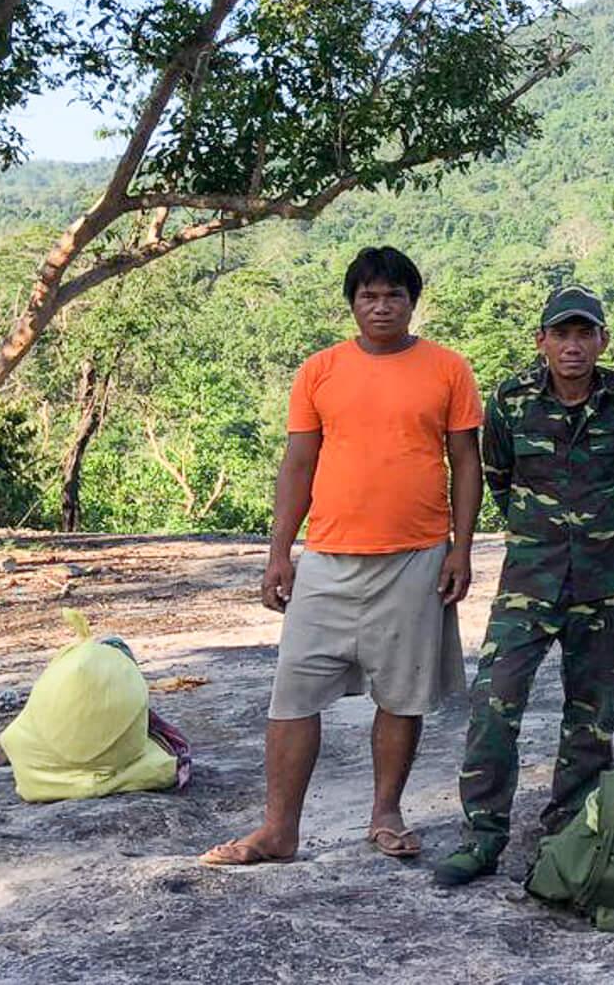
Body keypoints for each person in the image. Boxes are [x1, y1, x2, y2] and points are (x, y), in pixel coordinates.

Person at [202, 246, 479, 867]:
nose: (381, 307)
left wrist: (461, 549)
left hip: (416, 557)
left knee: (402, 696)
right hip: (326, 557)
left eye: (394, 296)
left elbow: (466, 462)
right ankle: (279, 830)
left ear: (413, 301)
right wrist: (279, 553)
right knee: (293, 695)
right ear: (352, 303)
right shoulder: (319, 371)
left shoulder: (448, 369)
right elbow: (298, 463)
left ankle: (386, 814)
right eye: (369, 296)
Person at [436, 286, 614, 887]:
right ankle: (482, 835)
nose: (573, 347)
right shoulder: (509, 399)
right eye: (561, 335)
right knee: (494, 703)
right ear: (542, 342)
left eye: (585, 334)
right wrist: (544, 528)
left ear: (603, 341)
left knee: (593, 713)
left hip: (603, 578)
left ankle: (566, 834)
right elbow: (498, 477)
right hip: (530, 574)